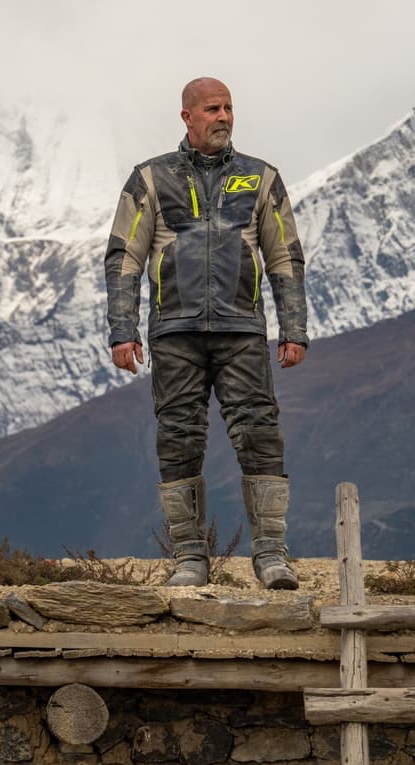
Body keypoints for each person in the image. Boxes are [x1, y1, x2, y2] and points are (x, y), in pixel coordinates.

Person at [103, 77, 309, 589]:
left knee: (261, 436)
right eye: (212, 108)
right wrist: (122, 330)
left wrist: (294, 329)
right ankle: (189, 557)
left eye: (229, 108)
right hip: (175, 333)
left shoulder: (262, 178)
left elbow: (284, 255)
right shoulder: (149, 180)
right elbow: (124, 258)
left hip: (242, 329)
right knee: (178, 440)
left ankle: (271, 555)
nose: (223, 116)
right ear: (187, 117)